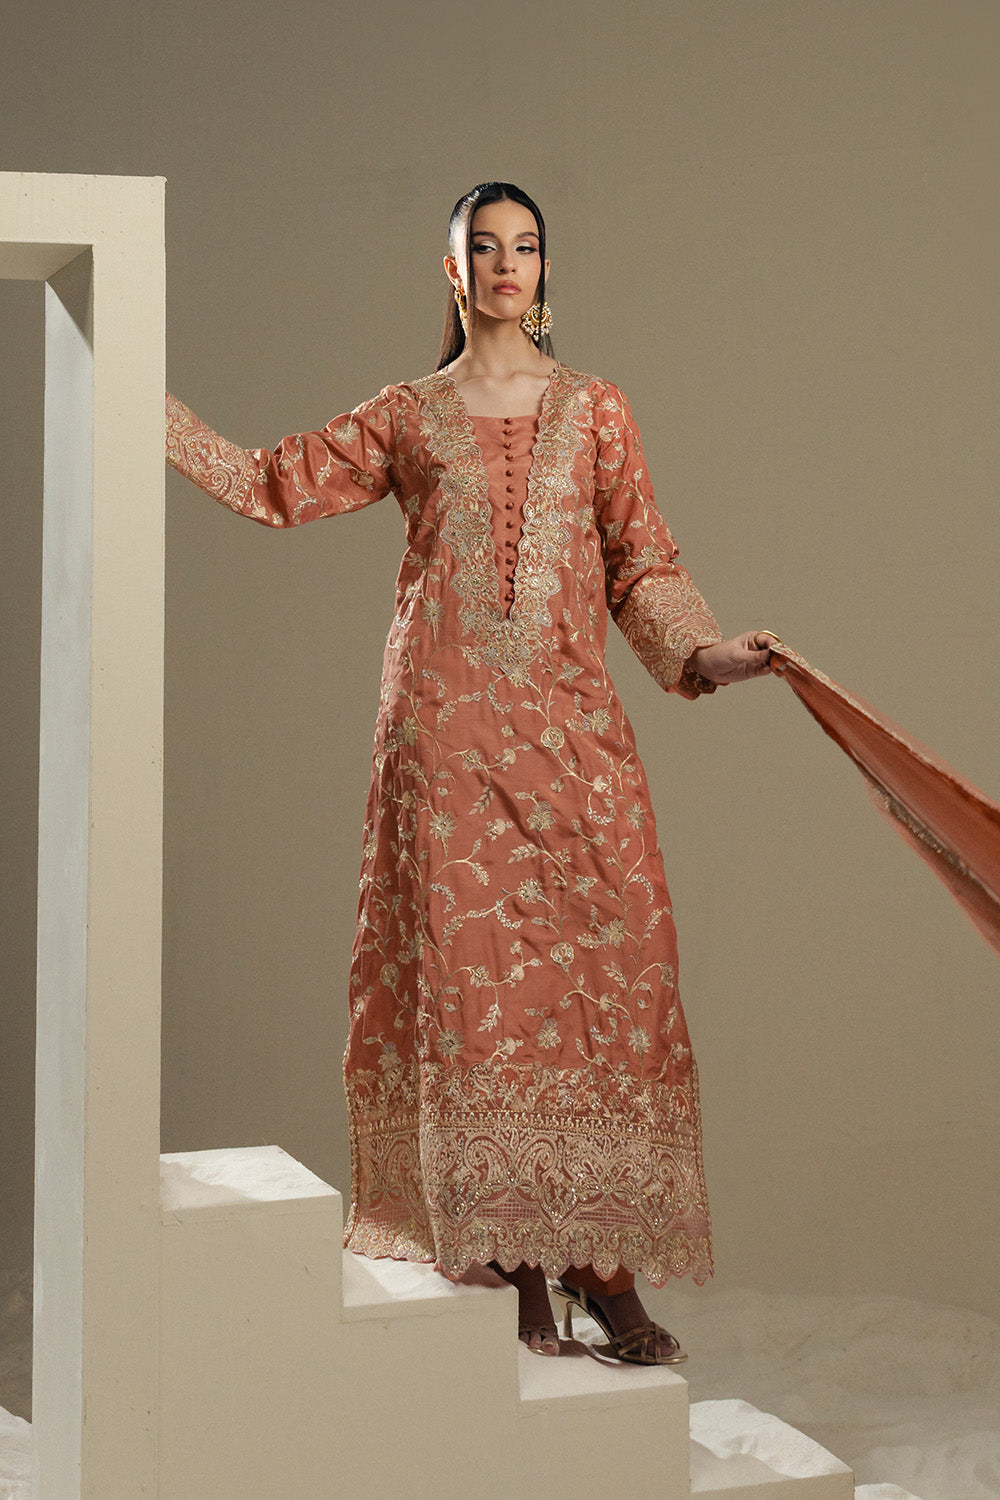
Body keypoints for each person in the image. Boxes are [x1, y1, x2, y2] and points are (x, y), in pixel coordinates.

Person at [165, 180, 773, 1363]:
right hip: (443, 737)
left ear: (544, 269)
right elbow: (273, 484)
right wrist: (149, 407)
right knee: (476, 987)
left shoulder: (597, 410)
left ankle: (599, 1260)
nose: (505, 264)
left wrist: (704, 651)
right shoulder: (409, 414)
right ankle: (505, 1254)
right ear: (452, 271)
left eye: (525, 247)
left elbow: (641, 565)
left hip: (572, 732)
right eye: (483, 248)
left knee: (606, 976)